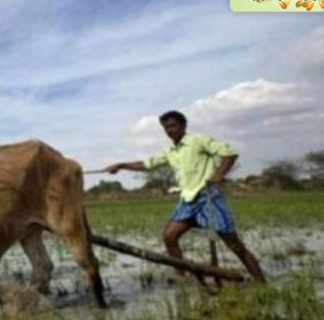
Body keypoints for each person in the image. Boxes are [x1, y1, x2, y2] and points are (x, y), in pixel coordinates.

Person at [106, 110, 266, 282]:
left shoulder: (198, 140)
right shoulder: (170, 151)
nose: (170, 130)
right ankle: (181, 276)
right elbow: (147, 164)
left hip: (208, 197)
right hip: (188, 201)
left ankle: (261, 281)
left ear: (183, 126)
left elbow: (229, 153)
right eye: (166, 128)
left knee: (234, 244)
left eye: (173, 126)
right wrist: (121, 165)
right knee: (169, 236)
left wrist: (218, 174)